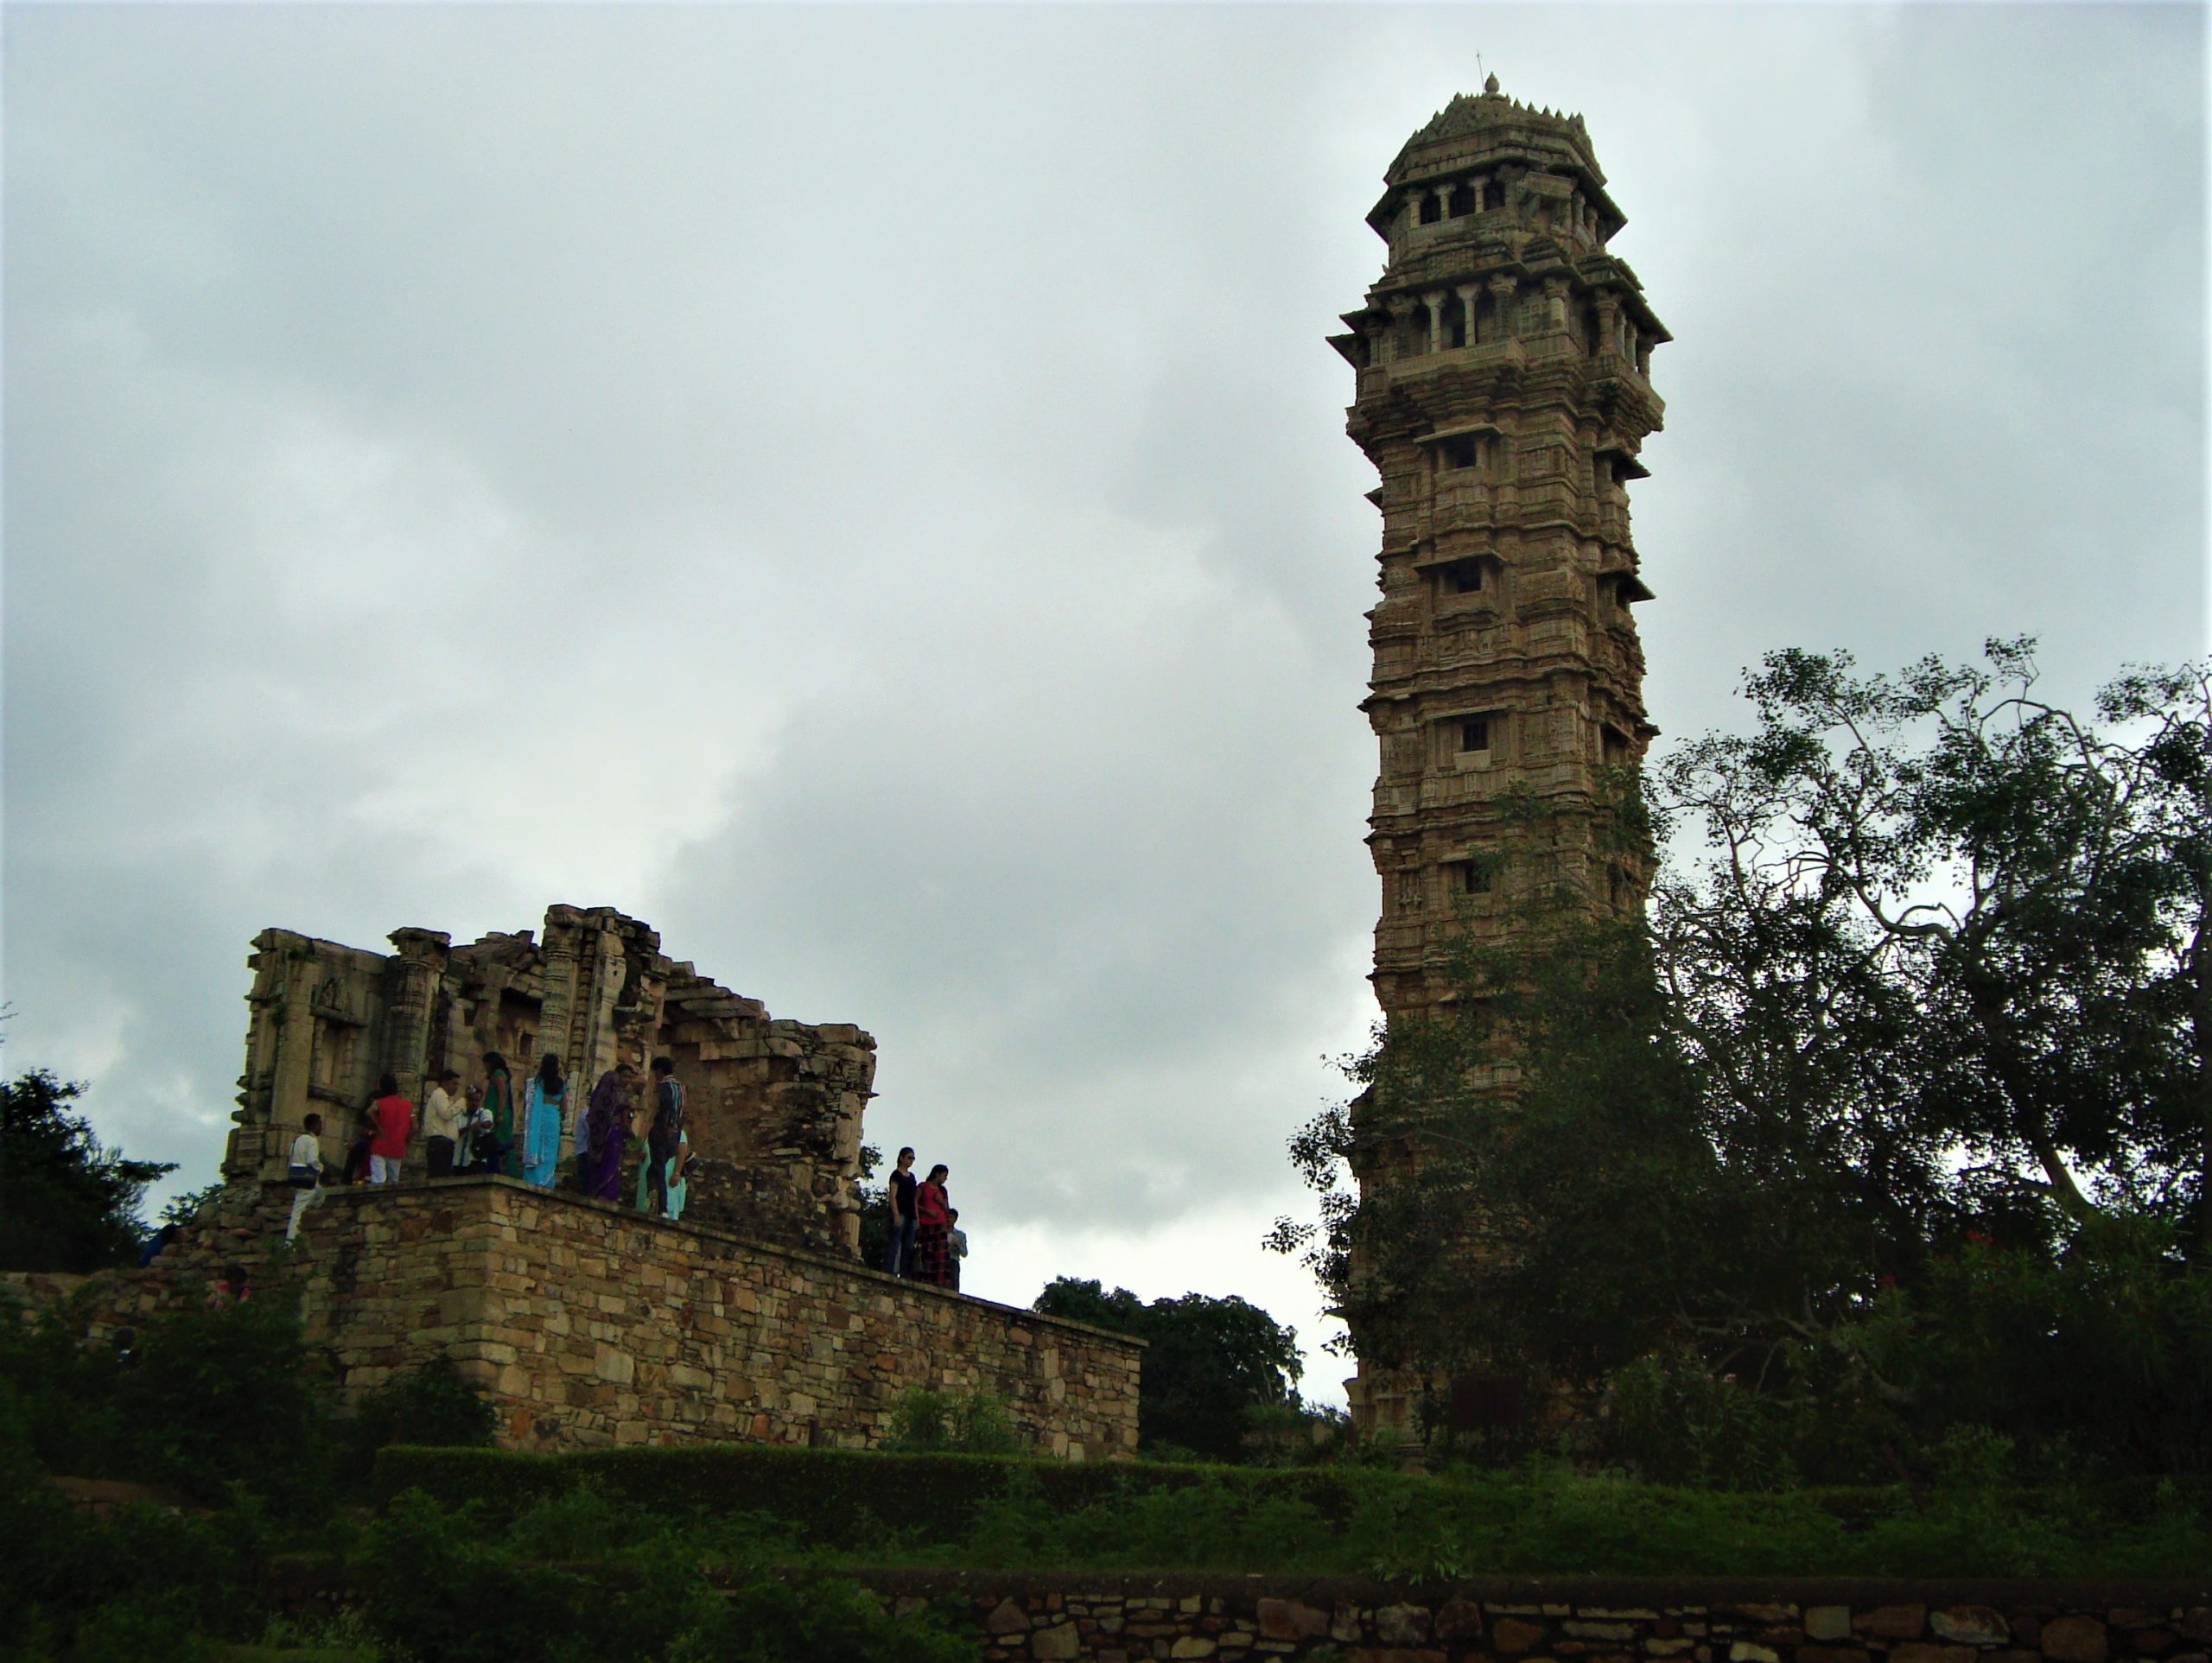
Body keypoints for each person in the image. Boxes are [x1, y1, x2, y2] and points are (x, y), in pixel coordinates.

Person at [582, 1063, 634, 1203]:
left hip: (600, 1135)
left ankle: (595, 1192)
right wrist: (632, 1135)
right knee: (611, 1164)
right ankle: (606, 1195)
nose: (627, 1080)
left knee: (601, 1164)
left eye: (630, 1077)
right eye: (625, 1076)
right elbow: (625, 1120)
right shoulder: (620, 1096)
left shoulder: (603, 1091)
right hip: (614, 1134)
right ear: (618, 1076)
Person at [643, 1057, 685, 1216]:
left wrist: (666, 1126)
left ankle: (662, 1207)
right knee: (653, 1170)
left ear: (659, 1071)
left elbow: (664, 1108)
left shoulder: (663, 1087)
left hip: (662, 1131)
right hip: (675, 1135)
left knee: (659, 1169)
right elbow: (681, 1114)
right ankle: (653, 1196)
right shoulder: (681, 1088)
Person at [520, 1053, 566, 1188]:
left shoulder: (536, 1082)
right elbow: (564, 1107)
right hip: (553, 1117)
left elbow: (528, 1103)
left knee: (537, 1147)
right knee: (549, 1150)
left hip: (538, 1119)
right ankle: (546, 1181)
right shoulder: (560, 1084)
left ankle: (533, 1179)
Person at [286, 1112, 327, 1241]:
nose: (321, 1127)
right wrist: (320, 1169)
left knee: (319, 1195)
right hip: (307, 1177)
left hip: (295, 1175)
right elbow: (312, 1161)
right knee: (298, 1212)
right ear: (314, 1125)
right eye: (320, 1124)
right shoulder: (312, 1140)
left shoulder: (296, 1140)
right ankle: (290, 1242)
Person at [367, 1073, 413, 1184]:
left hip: (380, 1145)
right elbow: (415, 1127)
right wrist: (407, 1139)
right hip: (397, 1147)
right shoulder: (407, 1105)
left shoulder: (379, 1103)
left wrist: (378, 1127)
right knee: (394, 1182)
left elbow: (369, 1112)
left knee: (378, 1180)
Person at [423, 1069, 467, 1178]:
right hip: (439, 1142)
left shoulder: (447, 1098)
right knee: (438, 1176)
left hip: (446, 1143)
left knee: (443, 1175)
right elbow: (446, 1114)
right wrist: (462, 1102)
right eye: (454, 1084)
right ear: (444, 1082)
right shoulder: (439, 1094)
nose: (456, 1087)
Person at [481, 1051, 519, 1177]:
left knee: (498, 1141)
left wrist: (499, 1113)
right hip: (497, 1112)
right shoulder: (498, 1074)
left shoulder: (498, 1074)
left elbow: (502, 1093)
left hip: (499, 1113)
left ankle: (503, 1170)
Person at [914, 1164, 953, 1286]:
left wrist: (941, 1202)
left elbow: (947, 1209)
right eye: (944, 1176)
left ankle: (940, 1281)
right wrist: (926, 1212)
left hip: (940, 1224)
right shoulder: (923, 1186)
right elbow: (915, 1202)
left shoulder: (942, 1191)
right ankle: (926, 1279)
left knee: (940, 1254)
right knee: (927, 1253)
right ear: (937, 1174)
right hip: (926, 1223)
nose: (945, 1179)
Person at [883, 1146, 918, 1276]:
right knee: (895, 1243)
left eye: (913, 1158)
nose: (911, 1161)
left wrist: (917, 1218)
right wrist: (896, 1214)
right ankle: (890, 1270)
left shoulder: (912, 1177)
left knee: (908, 1246)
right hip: (900, 1212)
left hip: (911, 1214)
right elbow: (893, 1195)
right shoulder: (896, 1175)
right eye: (909, 1158)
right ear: (902, 1158)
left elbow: (914, 1198)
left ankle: (904, 1272)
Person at [947, 1207, 969, 1292]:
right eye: (948, 1217)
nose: (949, 1219)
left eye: (951, 1217)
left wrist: (958, 1246)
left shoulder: (960, 1235)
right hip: (941, 1259)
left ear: (955, 1219)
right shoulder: (940, 1232)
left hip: (953, 1260)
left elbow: (965, 1253)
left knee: (954, 1286)